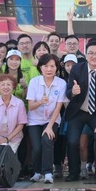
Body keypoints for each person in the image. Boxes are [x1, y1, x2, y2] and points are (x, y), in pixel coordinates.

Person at [64, 40, 96, 183]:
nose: (94, 56)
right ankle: (74, 172)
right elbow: (68, 92)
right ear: (85, 55)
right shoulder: (77, 69)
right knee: (72, 141)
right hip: (78, 111)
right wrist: (73, 92)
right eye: (91, 53)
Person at [26, 54, 67, 184]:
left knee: (47, 139)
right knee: (37, 147)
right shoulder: (34, 82)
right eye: (46, 66)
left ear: (56, 68)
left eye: (52, 66)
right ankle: (37, 172)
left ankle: (48, 173)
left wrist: (49, 127)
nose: (49, 69)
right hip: (34, 120)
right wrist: (40, 102)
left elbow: (58, 107)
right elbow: (30, 106)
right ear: (40, 67)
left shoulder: (61, 83)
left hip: (52, 119)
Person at [0, 74, 27, 153]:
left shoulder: (19, 103)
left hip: (15, 137)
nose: (6, 87)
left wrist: (7, 139)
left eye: (8, 84)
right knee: (5, 150)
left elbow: (21, 124)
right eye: (2, 85)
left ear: (13, 87)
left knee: (8, 153)